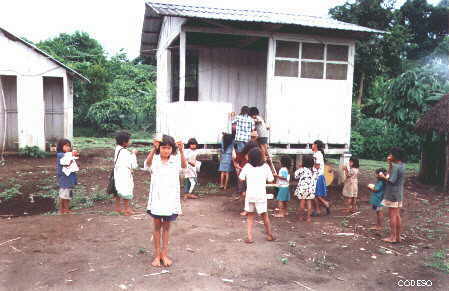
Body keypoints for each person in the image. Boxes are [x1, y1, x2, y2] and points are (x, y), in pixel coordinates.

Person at [145, 135, 187, 267]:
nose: (166, 151)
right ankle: (157, 255)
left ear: (172, 149)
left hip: (170, 201)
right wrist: (153, 149)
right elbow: (147, 165)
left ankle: (164, 254)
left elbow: (184, 167)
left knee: (167, 228)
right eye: (163, 148)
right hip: (157, 200)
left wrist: (181, 151)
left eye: (168, 148)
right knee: (157, 227)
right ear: (159, 148)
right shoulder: (155, 160)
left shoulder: (174, 161)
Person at [239, 147, 275, 243]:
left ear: (250, 157)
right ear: (261, 157)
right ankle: (269, 235)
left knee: (250, 216)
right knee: (264, 216)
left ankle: (250, 237)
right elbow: (271, 180)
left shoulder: (247, 166)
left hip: (250, 195)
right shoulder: (265, 167)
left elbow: (241, 178)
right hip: (261, 195)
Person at [378, 147, 406, 243]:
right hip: (399, 193)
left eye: (391, 155)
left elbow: (391, 180)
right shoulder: (402, 165)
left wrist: (382, 177)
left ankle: (392, 237)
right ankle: (398, 237)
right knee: (397, 215)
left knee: (392, 216)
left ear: (395, 156)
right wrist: (389, 163)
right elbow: (392, 173)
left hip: (392, 193)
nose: (389, 156)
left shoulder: (396, 167)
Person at [114, 131, 138, 215]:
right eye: (129, 140)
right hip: (125, 175)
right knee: (126, 190)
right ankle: (127, 209)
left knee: (118, 190)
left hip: (118, 173)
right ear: (124, 142)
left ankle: (117, 208)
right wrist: (134, 154)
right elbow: (133, 165)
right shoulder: (125, 152)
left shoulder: (118, 149)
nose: (130, 141)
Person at [233, 141, 260, 216]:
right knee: (244, 193)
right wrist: (238, 167)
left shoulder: (257, 156)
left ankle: (249, 209)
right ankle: (246, 209)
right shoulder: (242, 155)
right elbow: (235, 162)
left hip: (252, 178)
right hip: (243, 177)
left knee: (251, 193)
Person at [56, 139, 78, 214]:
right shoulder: (60, 155)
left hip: (69, 178)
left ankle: (66, 209)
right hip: (64, 178)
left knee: (68, 195)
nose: (68, 148)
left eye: (69, 146)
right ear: (61, 147)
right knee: (64, 195)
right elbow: (67, 159)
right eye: (66, 146)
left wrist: (72, 155)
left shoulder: (68, 154)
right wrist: (72, 154)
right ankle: (62, 210)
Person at [294, 155, 316, 222]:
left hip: (303, 188)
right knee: (309, 202)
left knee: (302, 202)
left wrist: (299, 168)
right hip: (310, 189)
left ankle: (301, 217)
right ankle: (308, 218)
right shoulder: (313, 170)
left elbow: (296, 176)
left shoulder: (302, 170)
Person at [312, 140, 331, 216]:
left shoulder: (318, 154)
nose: (312, 146)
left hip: (317, 176)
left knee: (315, 194)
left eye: (313, 144)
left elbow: (317, 166)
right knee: (315, 194)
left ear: (316, 145)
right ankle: (319, 208)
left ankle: (324, 205)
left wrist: (309, 169)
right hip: (318, 176)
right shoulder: (317, 154)